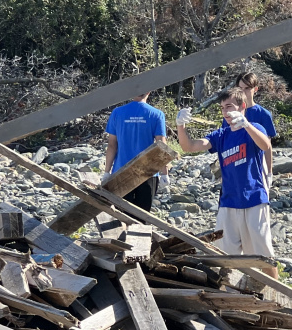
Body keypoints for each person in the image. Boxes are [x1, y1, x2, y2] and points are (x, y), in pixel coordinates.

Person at [176, 88, 278, 278]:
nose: (225, 112)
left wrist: (246, 124)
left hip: (254, 199)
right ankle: (230, 292)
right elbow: (189, 146)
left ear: (242, 106)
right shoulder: (221, 135)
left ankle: (276, 292)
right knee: (224, 257)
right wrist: (180, 126)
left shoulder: (255, 127)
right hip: (228, 202)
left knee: (264, 257)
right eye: (222, 108)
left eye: (229, 106)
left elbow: (265, 145)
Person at [103, 91, 168, 211]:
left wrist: (107, 172)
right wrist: (165, 172)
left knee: (122, 215)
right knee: (142, 215)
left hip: (121, 172)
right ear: (149, 91)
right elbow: (162, 146)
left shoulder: (117, 112)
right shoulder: (156, 114)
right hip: (147, 172)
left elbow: (112, 145)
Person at [227, 72, 276, 190]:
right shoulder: (230, 113)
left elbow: (268, 146)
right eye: (240, 88)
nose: (243, 91)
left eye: (247, 88)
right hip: (235, 161)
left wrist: (269, 172)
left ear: (255, 89)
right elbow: (225, 141)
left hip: (257, 162)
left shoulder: (263, 114)